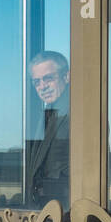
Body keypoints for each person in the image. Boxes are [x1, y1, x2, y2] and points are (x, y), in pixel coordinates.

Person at [24, 49, 71, 208]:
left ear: (66, 76)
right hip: (44, 210)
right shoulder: (47, 114)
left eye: (48, 79)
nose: (42, 86)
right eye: (37, 82)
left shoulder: (80, 112)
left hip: (66, 212)